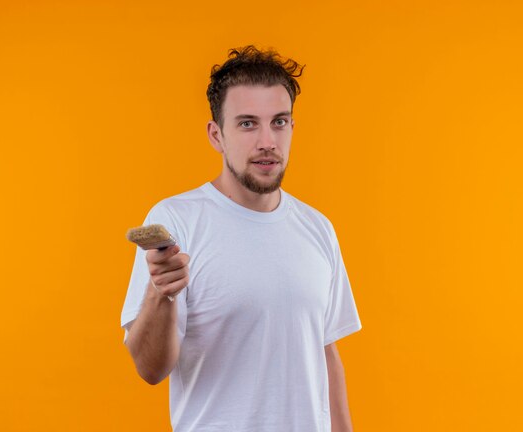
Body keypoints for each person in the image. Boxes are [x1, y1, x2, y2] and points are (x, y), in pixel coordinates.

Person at [121, 45, 362, 432]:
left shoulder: (318, 228)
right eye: (248, 123)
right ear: (217, 135)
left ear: (292, 128)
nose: (267, 141)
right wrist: (160, 292)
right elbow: (150, 369)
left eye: (279, 122)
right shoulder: (177, 221)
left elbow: (325, 353)